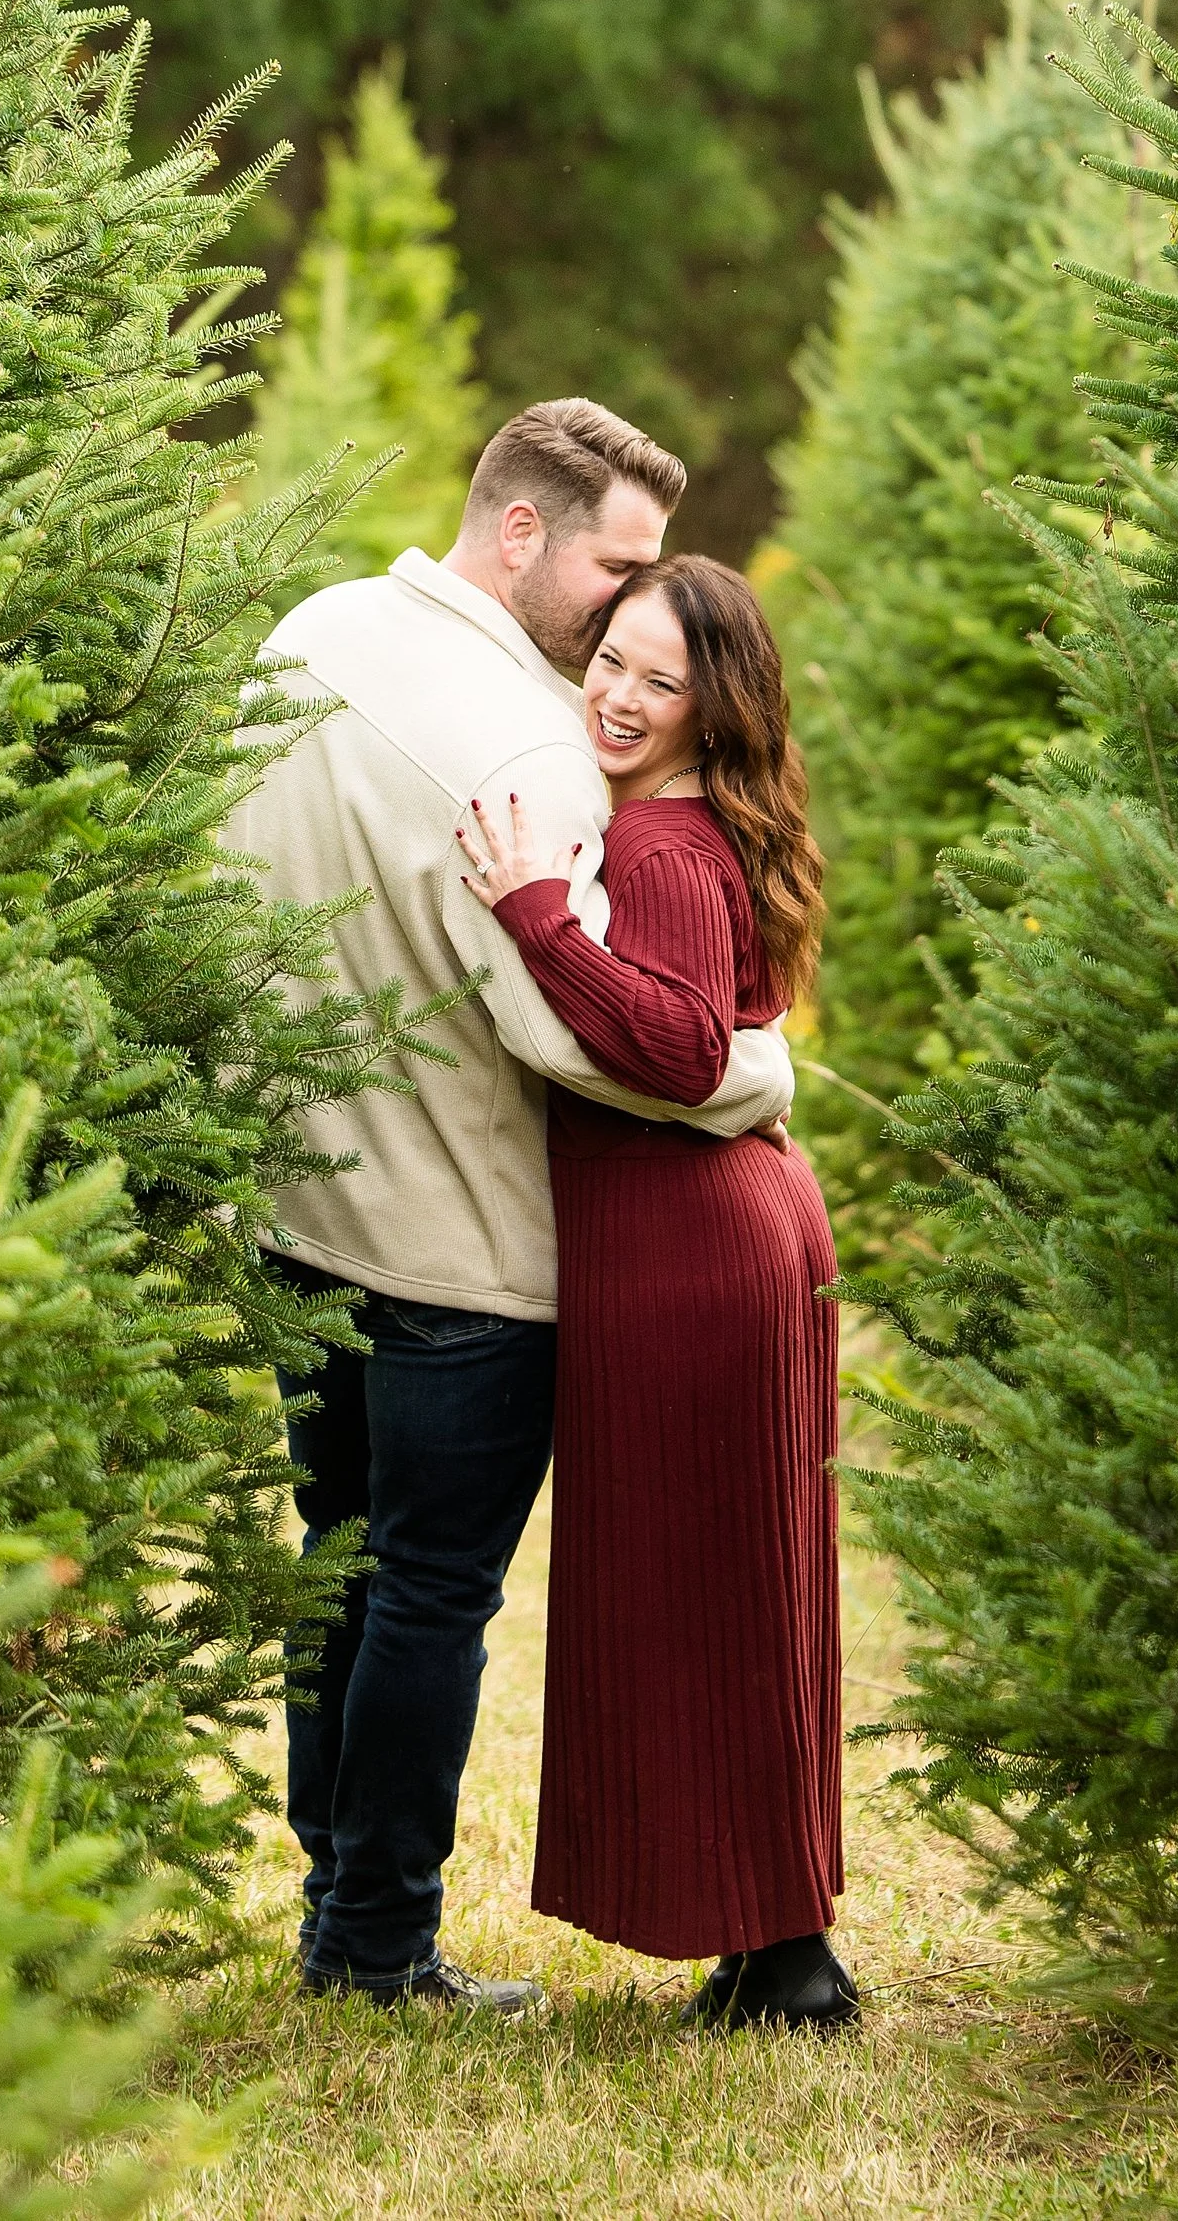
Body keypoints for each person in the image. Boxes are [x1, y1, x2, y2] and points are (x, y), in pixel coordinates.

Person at [227, 401, 796, 2012]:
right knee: (427, 1589)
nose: (636, 599)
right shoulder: (531, 743)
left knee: (334, 1555)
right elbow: (593, 1041)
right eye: (622, 562)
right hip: (463, 1249)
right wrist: (759, 1073)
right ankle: (376, 1943)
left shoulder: (316, 626)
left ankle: (333, 1889)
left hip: (298, 1199)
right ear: (528, 529)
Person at [457, 552, 852, 2033]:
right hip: (716, 1234)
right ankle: (775, 1940)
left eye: (658, 679)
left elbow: (684, 1050)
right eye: (609, 659)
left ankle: (791, 1955)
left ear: (714, 707)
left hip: (697, 1249)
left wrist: (537, 917)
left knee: (722, 1594)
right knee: (743, 1588)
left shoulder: (670, 850)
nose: (617, 695)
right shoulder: (685, 825)